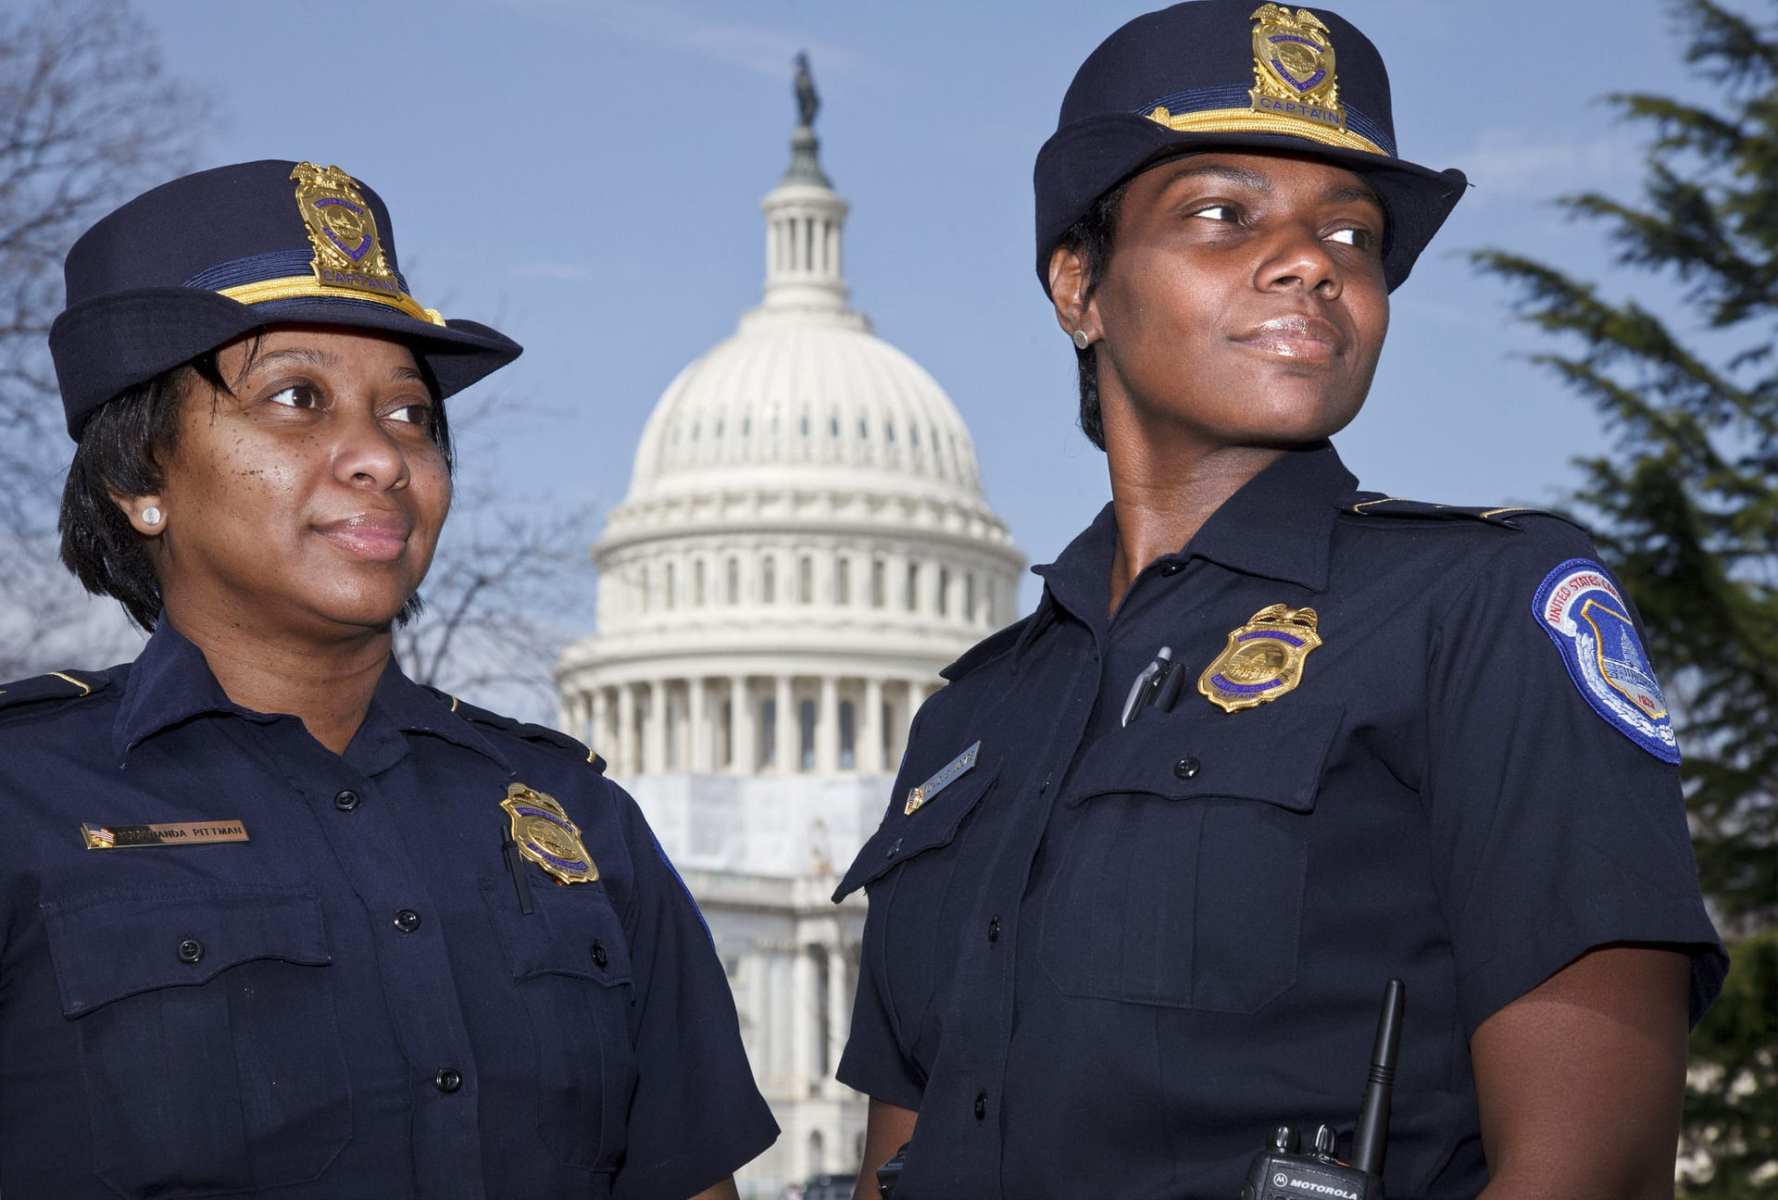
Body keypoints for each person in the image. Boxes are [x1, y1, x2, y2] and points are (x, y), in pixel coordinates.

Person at [832, 4, 1726, 1198]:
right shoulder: (971, 721)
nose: (1313, 260)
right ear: (1076, 284)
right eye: (1219, 213)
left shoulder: (1481, 606)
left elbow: (1591, 1171)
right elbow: (910, 1141)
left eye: (1351, 234)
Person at [0, 159, 777, 1199]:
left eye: (410, 415)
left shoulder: (582, 825)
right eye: (296, 398)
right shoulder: (24, 807)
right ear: (138, 478)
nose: (377, 456)